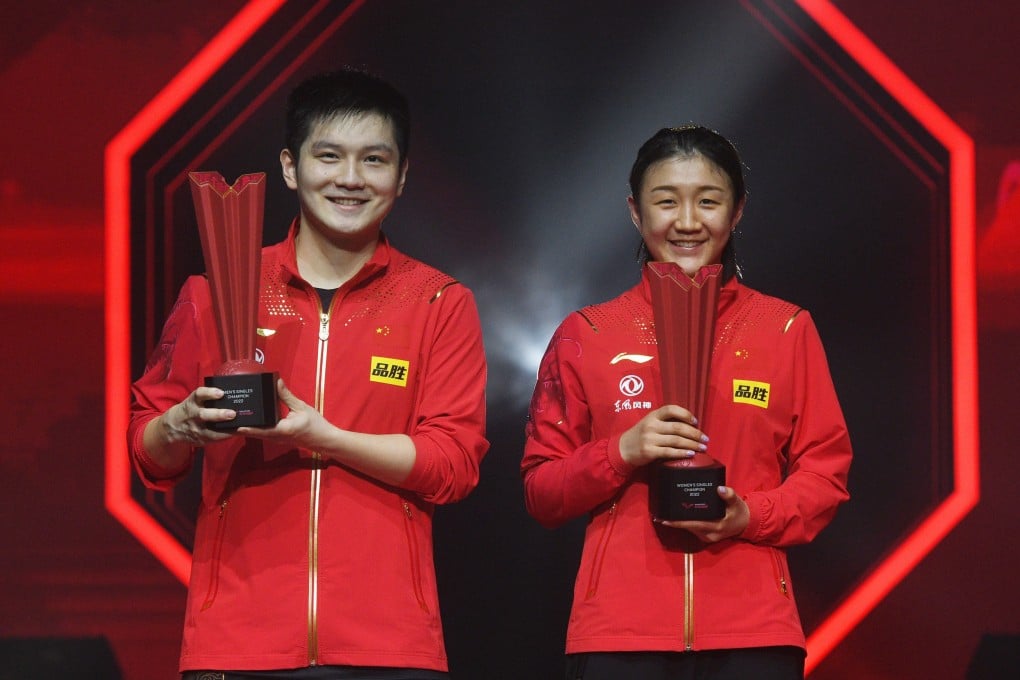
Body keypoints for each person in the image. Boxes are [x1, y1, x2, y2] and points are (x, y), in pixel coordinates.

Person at [129, 68, 489, 679]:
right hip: (238, 642)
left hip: (387, 647)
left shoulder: (438, 302)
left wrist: (322, 437)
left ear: (401, 177)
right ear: (292, 168)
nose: (350, 179)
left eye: (374, 160)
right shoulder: (215, 290)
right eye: (329, 157)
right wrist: (178, 426)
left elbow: (452, 467)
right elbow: (148, 453)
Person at [521, 125, 852, 680]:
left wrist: (751, 515)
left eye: (709, 200)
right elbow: (542, 490)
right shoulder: (588, 333)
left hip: (754, 634)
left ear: (738, 209)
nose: (688, 221)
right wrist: (621, 451)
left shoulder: (786, 328)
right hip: (619, 634)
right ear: (635, 211)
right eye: (666, 200)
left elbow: (826, 475)